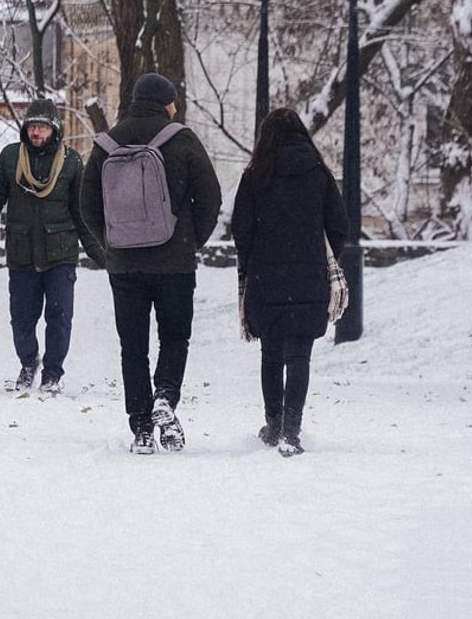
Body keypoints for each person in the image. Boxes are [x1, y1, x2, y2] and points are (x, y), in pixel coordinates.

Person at [80, 73, 222, 454]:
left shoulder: (106, 144)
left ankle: (142, 427)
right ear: (167, 103)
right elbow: (211, 197)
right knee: (175, 336)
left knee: (133, 345)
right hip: (175, 262)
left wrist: (112, 243)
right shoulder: (182, 139)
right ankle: (166, 397)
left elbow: (87, 205)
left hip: (125, 266)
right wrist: (191, 241)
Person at [0, 98, 106, 393]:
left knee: (60, 317)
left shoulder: (72, 162)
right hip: (22, 253)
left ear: (55, 130)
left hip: (60, 253)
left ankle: (52, 374)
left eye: (42, 127)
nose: (36, 133)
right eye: (32, 127)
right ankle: (28, 363)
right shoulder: (11, 158)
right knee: (22, 320)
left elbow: (82, 212)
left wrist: (99, 252)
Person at [230, 108, 348, 457]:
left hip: (267, 278)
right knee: (300, 356)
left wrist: (258, 256)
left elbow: (241, 229)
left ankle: (273, 424)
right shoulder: (318, 173)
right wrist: (314, 250)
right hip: (308, 276)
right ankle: (291, 431)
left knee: (271, 354)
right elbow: (339, 225)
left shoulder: (255, 176)